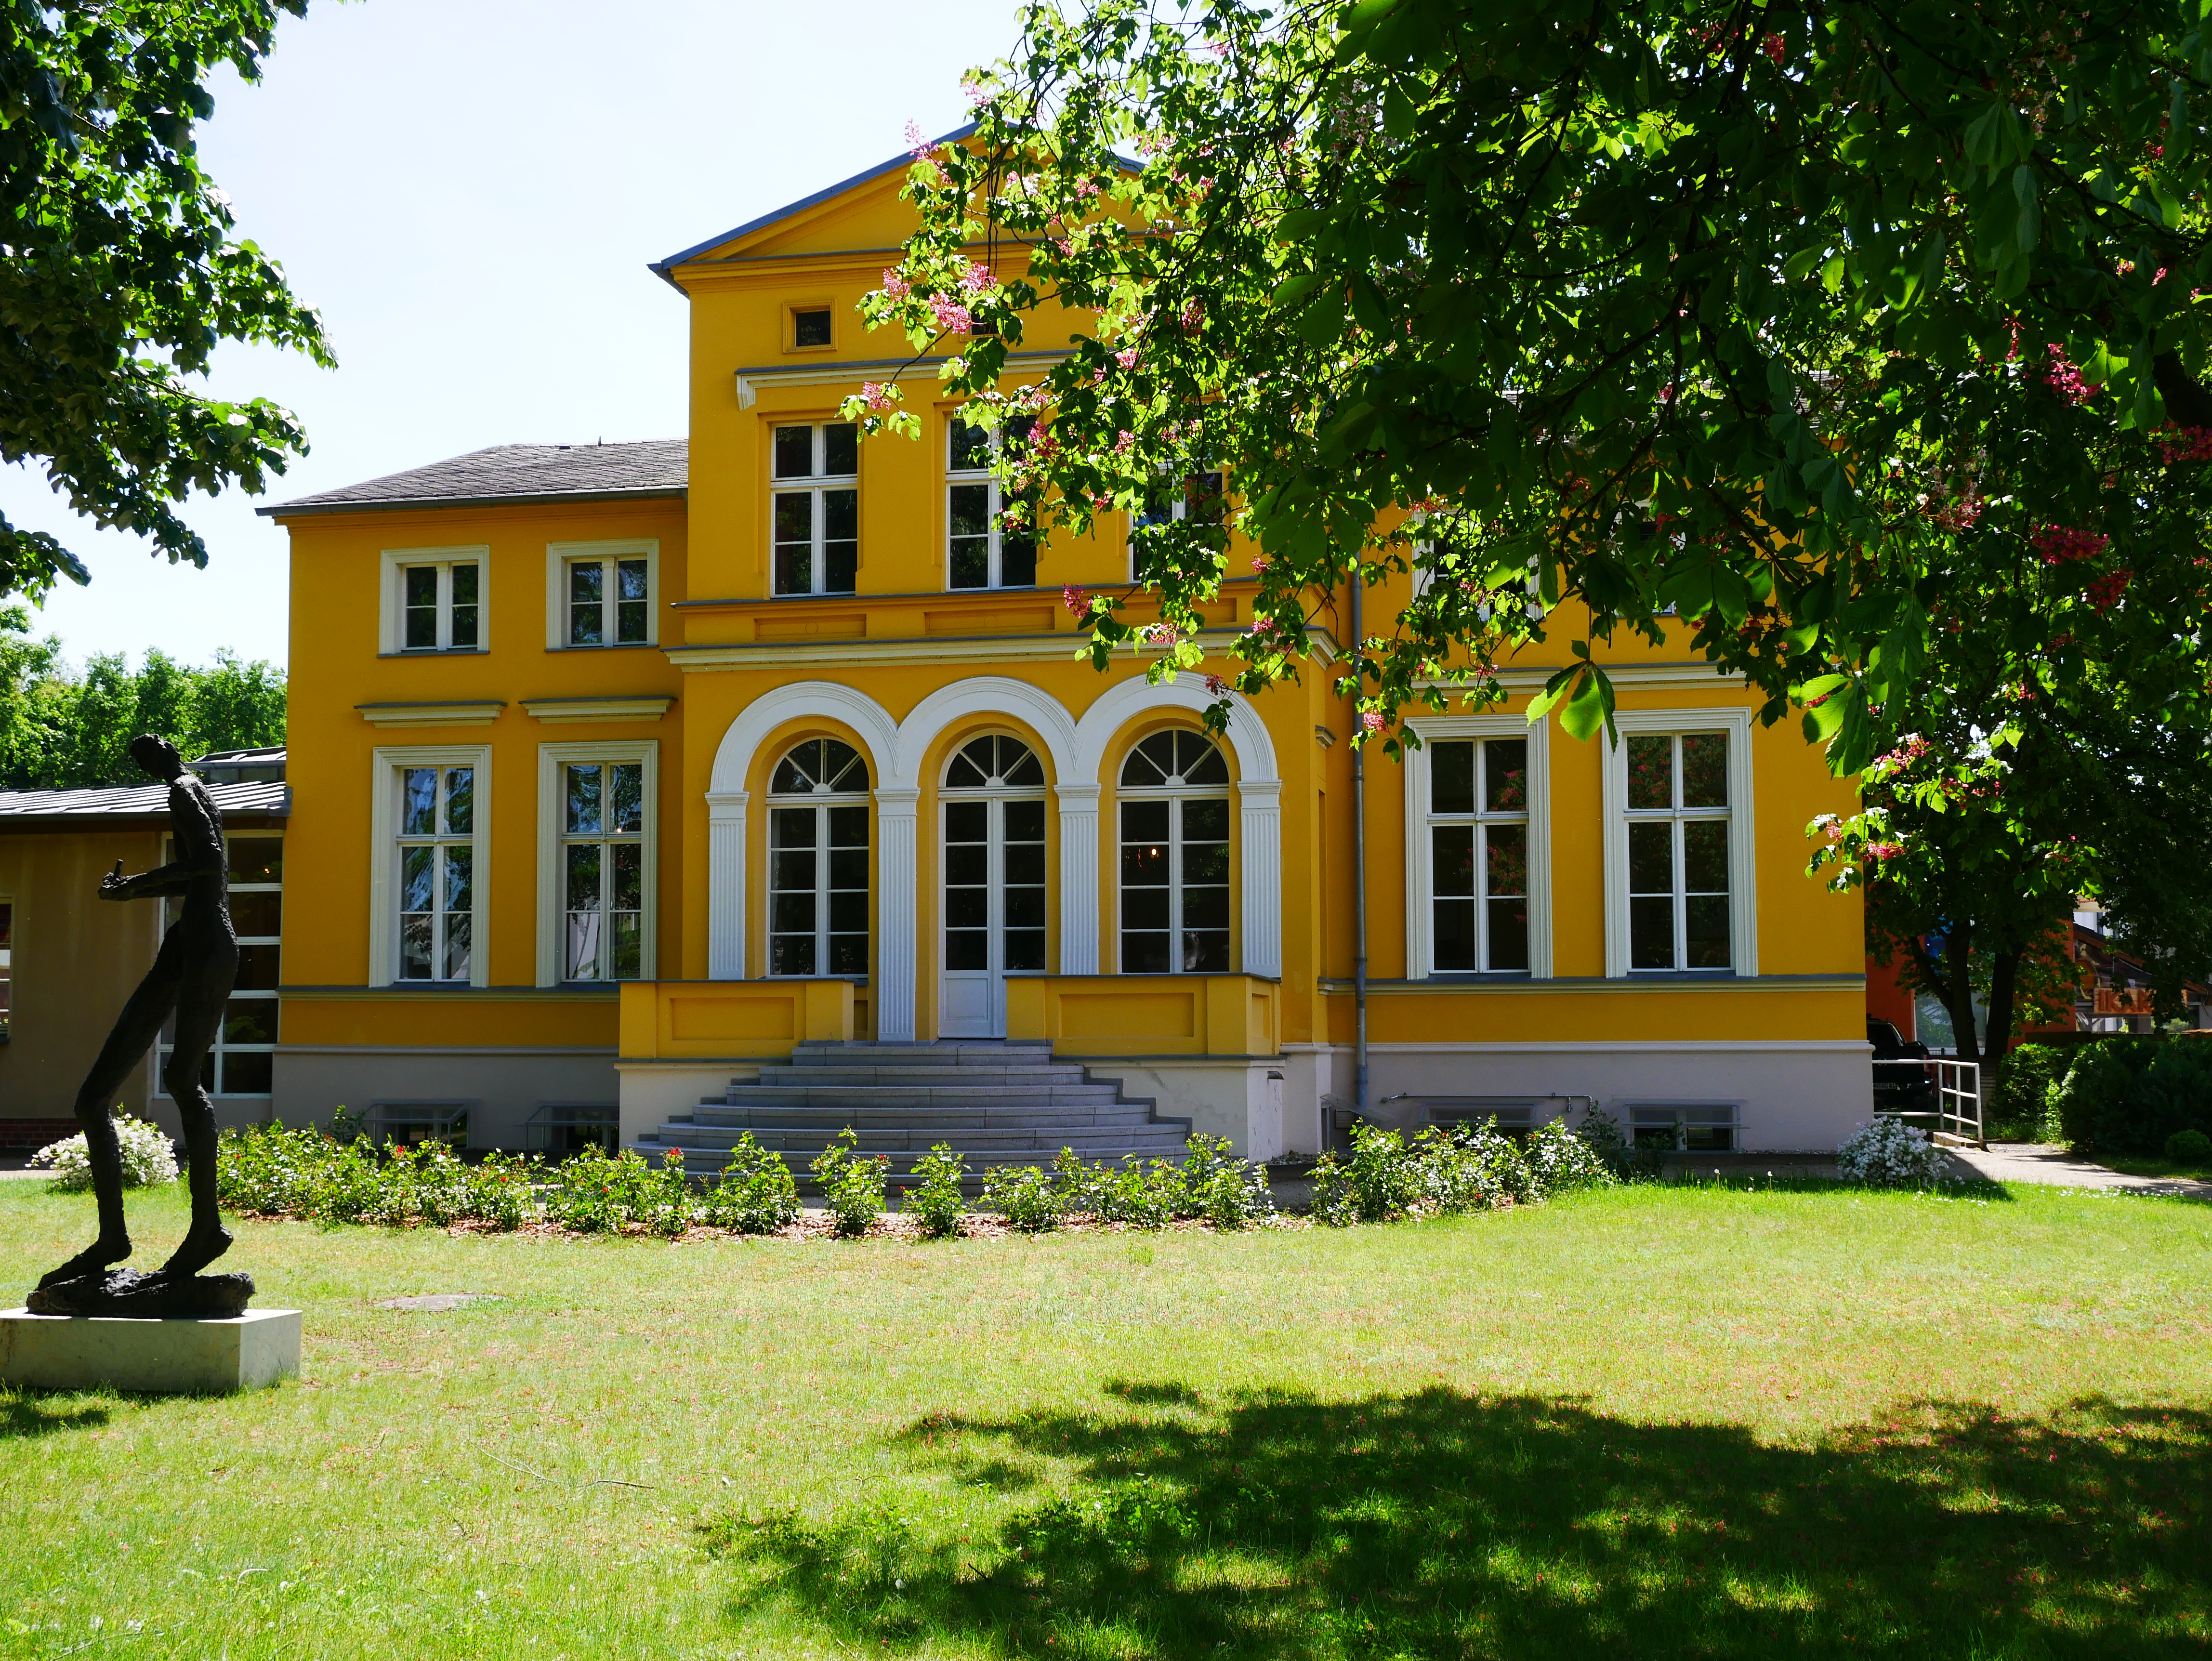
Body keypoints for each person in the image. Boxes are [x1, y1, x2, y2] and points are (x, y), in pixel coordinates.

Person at [40, 734, 238, 1289]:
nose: (145, 760)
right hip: (190, 942)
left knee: (179, 1079)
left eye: (146, 750)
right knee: (93, 1097)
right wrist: (138, 889)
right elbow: (205, 872)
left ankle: (206, 1228)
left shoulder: (183, 789)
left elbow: (209, 864)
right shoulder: (193, 790)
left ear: (167, 750)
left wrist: (136, 887)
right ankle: (115, 1237)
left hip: (205, 944)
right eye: (140, 755)